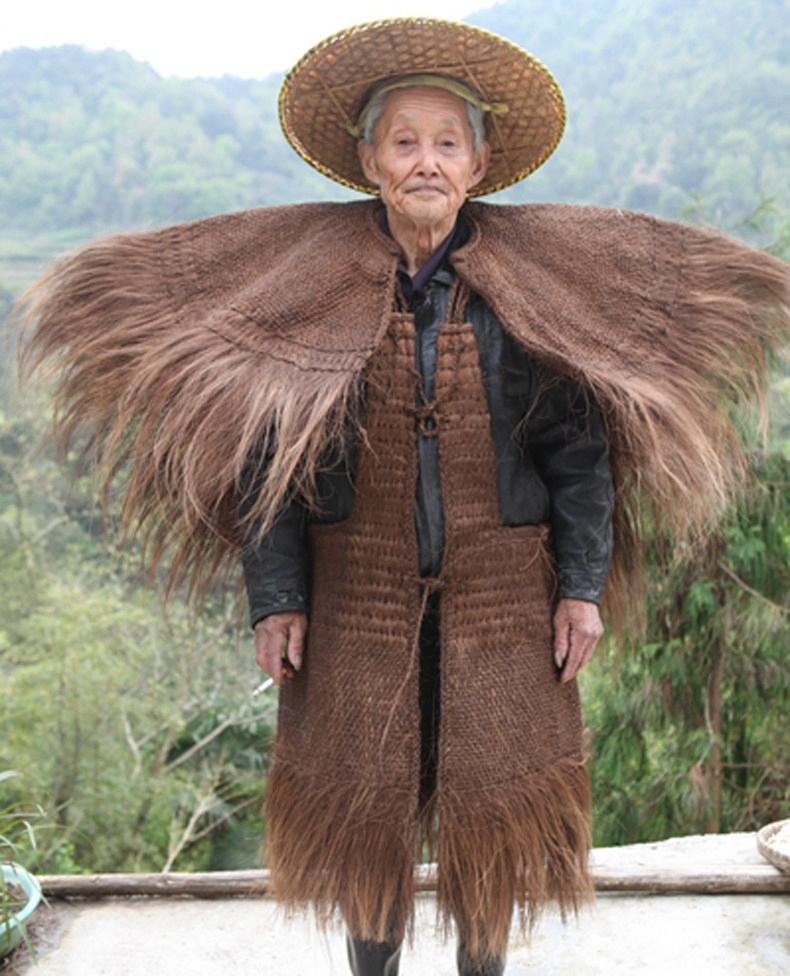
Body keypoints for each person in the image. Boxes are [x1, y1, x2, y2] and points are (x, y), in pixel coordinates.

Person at [18, 18, 790, 976]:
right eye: (404, 140)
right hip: (356, 608)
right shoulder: (309, 285)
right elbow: (269, 460)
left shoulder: (530, 288)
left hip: (507, 609)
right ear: (369, 158)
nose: (426, 160)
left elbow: (578, 455)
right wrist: (278, 597)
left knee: (494, 835)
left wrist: (581, 586)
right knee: (364, 830)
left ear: (479, 160)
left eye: (446, 141)